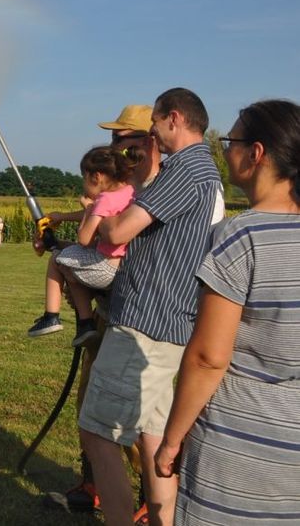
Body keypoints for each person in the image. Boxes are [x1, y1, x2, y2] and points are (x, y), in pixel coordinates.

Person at [79, 88, 223, 526]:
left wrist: (98, 218)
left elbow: (119, 232)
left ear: (173, 119)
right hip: (167, 324)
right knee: (152, 438)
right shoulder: (198, 172)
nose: (151, 135)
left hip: (146, 322)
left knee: (98, 432)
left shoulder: (187, 169)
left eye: (155, 124)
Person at [155, 99, 300, 524]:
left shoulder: (242, 235)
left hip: (239, 439)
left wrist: (171, 439)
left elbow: (208, 357)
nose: (225, 149)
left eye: (231, 141)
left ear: (256, 154)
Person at [41, 104, 160, 517]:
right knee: (89, 401)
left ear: (146, 141)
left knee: (127, 415)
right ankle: (92, 484)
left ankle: (147, 499)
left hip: (136, 317)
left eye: (120, 139)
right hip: (109, 311)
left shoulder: (159, 186)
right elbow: (102, 209)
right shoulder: (129, 188)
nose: (114, 147)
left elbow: (109, 222)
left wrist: (71, 247)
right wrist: (60, 222)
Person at [27, 146, 137, 346]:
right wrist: (62, 217)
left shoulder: (103, 199)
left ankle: (51, 315)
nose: (84, 185)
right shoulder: (130, 192)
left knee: (57, 259)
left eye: (83, 179)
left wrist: (88, 208)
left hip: (103, 267)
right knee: (71, 271)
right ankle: (85, 325)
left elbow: (84, 239)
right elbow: (102, 218)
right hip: (121, 267)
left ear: (96, 176)